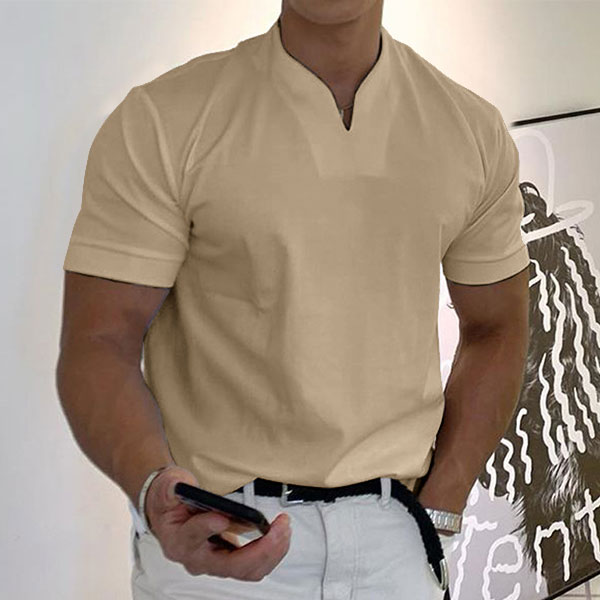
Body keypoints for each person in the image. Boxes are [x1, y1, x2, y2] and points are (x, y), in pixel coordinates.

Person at [56, 0, 530, 598]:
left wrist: (442, 507)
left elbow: (497, 327)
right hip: (221, 542)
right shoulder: (164, 120)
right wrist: (156, 490)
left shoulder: (470, 129)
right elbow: (100, 341)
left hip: (398, 544)